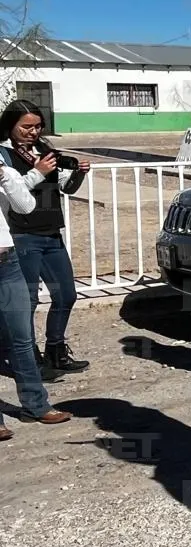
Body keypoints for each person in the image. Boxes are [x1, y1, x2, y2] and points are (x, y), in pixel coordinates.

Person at [0, 100, 90, 378]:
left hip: (51, 231)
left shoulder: (44, 149)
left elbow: (64, 186)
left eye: (38, 126)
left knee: (66, 295)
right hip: (22, 234)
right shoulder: (2, 154)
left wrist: (78, 174)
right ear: (10, 125)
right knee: (27, 300)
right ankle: (26, 358)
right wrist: (38, 170)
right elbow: (16, 192)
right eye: (26, 126)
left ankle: (56, 350)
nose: (33, 132)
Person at [0, 157, 71, 440]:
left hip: (7, 262)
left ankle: (36, 405)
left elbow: (25, 206)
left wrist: (5, 176)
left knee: (21, 339)